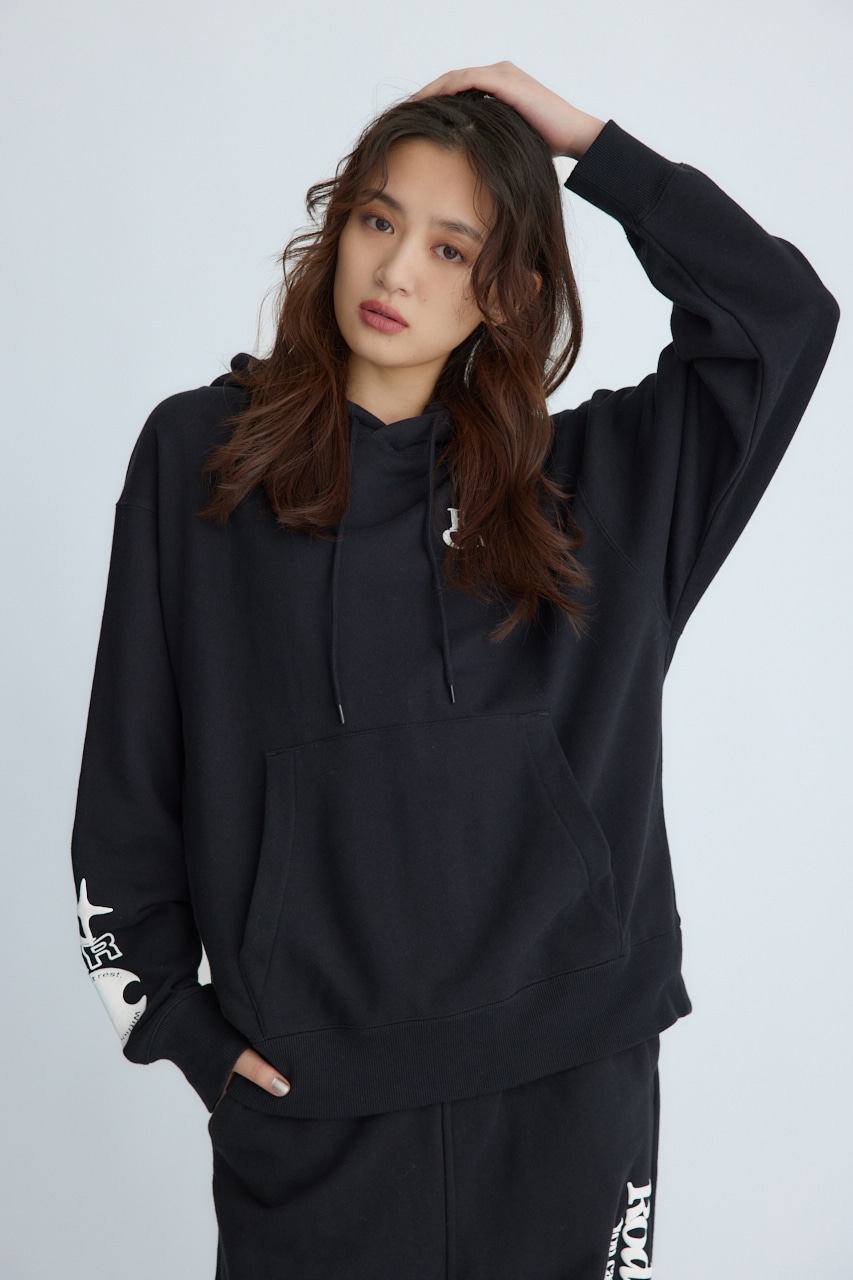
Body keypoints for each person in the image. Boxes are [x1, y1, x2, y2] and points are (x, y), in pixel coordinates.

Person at [70, 61, 839, 1279]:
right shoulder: (201, 461)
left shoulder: (597, 492)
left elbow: (782, 318)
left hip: (567, 1089)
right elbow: (128, 775)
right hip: (312, 1106)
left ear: (509, 289)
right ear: (337, 230)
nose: (396, 273)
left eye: (450, 247)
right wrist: (178, 1024)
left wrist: (590, 148)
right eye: (378, 222)